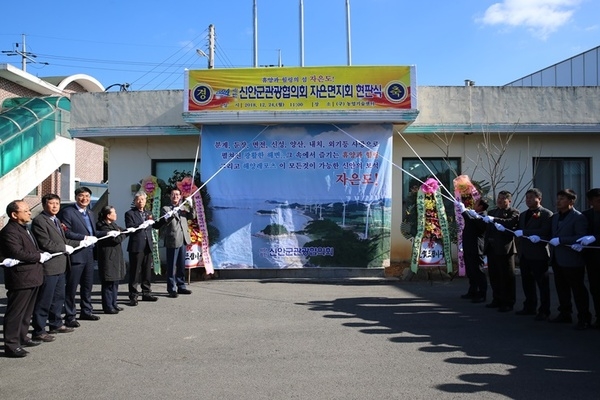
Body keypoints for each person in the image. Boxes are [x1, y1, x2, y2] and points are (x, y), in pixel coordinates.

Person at [0, 200, 51, 357]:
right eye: (26, 210)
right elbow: (18, 253)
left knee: (27, 311)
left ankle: (22, 337)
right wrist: (39, 256)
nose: (29, 213)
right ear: (14, 215)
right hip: (20, 277)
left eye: (29, 210)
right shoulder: (10, 231)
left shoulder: (23, 228)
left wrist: (40, 254)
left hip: (32, 276)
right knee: (16, 312)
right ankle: (11, 344)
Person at [30, 194, 81, 342]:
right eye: (51, 203)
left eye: (57, 203)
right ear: (44, 204)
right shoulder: (40, 221)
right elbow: (45, 243)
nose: (55, 206)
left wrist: (82, 241)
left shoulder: (56, 220)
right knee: (44, 299)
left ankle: (56, 323)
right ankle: (39, 330)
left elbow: (64, 240)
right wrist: (64, 247)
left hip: (61, 265)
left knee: (58, 298)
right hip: (49, 267)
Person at [548, 189, 591, 330]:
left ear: (571, 201)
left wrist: (561, 240)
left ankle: (584, 317)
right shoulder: (555, 217)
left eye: (562, 199)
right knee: (561, 288)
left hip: (572, 260)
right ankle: (565, 313)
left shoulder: (578, 217)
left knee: (578, 290)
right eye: (558, 198)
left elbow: (580, 237)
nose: (558, 201)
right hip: (557, 258)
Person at [59, 186, 100, 328]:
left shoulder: (90, 212)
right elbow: (66, 232)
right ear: (76, 197)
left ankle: (86, 311)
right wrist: (84, 237)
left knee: (87, 285)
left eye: (88, 196)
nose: (85, 199)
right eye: (82, 196)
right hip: (76, 253)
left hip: (89, 253)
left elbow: (93, 232)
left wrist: (111, 232)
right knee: (71, 286)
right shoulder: (68, 212)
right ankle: (70, 316)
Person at [513, 188, 553, 321]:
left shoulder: (547, 214)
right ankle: (529, 306)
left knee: (542, 284)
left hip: (539, 254)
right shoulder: (523, 214)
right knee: (527, 282)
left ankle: (544, 310)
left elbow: (545, 231)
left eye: (531, 197)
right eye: (527, 197)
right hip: (525, 254)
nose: (528, 200)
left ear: (539, 199)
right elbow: (519, 229)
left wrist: (526, 233)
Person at [483, 190, 519, 312]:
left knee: (507, 276)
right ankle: (497, 298)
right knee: (494, 276)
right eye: (499, 197)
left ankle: (508, 302)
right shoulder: (492, 211)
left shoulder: (513, 212)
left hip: (505, 249)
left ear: (509, 201)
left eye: (503, 198)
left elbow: (510, 223)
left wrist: (495, 220)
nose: (500, 200)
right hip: (492, 248)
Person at [155, 188, 193, 298]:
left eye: (177, 194)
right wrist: (172, 213)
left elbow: (192, 216)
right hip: (173, 239)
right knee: (172, 266)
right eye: (173, 195)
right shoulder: (165, 208)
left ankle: (181, 286)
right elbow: (165, 220)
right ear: (170, 197)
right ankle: (171, 288)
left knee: (181, 265)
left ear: (180, 196)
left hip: (183, 239)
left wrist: (191, 206)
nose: (175, 196)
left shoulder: (184, 207)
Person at [124, 191, 158, 306]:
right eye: (138, 199)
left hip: (148, 245)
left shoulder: (148, 212)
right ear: (134, 201)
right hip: (136, 246)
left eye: (142, 199)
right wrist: (141, 224)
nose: (140, 201)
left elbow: (155, 225)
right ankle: (133, 295)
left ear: (145, 201)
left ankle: (146, 292)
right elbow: (129, 226)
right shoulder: (129, 213)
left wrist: (166, 218)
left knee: (147, 270)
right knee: (135, 272)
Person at [96, 205, 130, 314]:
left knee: (115, 282)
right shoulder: (102, 226)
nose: (116, 214)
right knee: (108, 283)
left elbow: (121, 231)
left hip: (116, 257)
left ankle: (114, 303)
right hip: (107, 257)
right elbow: (116, 239)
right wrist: (125, 233)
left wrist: (127, 230)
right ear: (108, 215)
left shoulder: (113, 225)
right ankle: (107, 306)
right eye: (113, 212)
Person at [457, 198, 489, 303]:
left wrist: (464, 211)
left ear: (480, 206)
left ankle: (482, 293)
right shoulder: (474, 214)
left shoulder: (483, 217)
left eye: (476, 203)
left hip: (476, 248)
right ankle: (473, 291)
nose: (474, 205)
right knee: (471, 271)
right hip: (469, 246)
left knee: (478, 271)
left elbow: (472, 222)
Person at [579, 188, 600, 328]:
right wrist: (579, 242)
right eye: (597, 201)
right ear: (590, 202)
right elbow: (581, 231)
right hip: (592, 259)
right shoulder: (585, 215)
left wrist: (596, 237)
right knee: (595, 289)